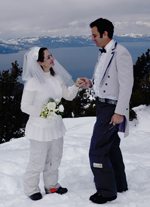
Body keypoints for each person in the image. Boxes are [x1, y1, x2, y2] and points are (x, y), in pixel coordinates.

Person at [80, 18, 133, 204]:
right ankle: (119, 184)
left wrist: (120, 112)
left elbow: (126, 85)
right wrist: (90, 84)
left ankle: (106, 192)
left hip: (111, 108)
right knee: (111, 146)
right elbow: (104, 81)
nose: (92, 39)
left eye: (94, 35)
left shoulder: (121, 53)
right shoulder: (103, 53)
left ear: (105, 34)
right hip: (102, 105)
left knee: (96, 149)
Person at [21, 47, 82, 201]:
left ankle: (51, 186)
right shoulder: (32, 83)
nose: (52, 59)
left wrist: (76, 85)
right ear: (40, 63)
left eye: (51, 55)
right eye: (48, 57)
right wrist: (43, 112)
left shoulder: (56, 77)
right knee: (38, 160)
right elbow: (25, 106)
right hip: (39, 128)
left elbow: (67, 96)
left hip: (56, 126)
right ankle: (31, 189)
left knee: (55, 158)